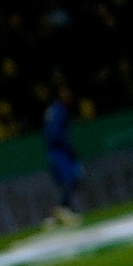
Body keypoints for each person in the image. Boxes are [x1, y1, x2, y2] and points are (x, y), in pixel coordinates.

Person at [39, 80, 87, 227]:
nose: (68, 96)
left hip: (57, 151)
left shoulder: (53, 110)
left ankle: (58, 213)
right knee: (70, 179)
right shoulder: (58, 110)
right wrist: (67, 145)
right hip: (59, 152)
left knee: (73, 178)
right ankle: (62, 210)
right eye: (65, 94)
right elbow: (54, 133)